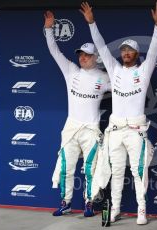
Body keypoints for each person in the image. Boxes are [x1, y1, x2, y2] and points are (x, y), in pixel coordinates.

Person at [80, 1, 157, 225]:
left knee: (140, 172)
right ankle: (116, 208)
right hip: (116, 130)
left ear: (137, 53)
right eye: (123, 50)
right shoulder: (114, 69)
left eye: (130, 50)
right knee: (116, 171)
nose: (126, 53)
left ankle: (141, 210)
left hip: (136, 131)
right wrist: (91, 23)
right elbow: (100, 47)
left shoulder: (143, 70)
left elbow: (156, 48)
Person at [44, 10, 110, 217]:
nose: (82, 57)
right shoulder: (71, 70)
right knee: (65, 168)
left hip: (91, 129)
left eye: (87, 55)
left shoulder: (105, 77)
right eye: (80, 54)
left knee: (90, 169)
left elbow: (125, 88)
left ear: (96, 58)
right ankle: (66, 202)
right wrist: (48, 29)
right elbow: (54, 51)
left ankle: (89, 203)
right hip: (71, 127)